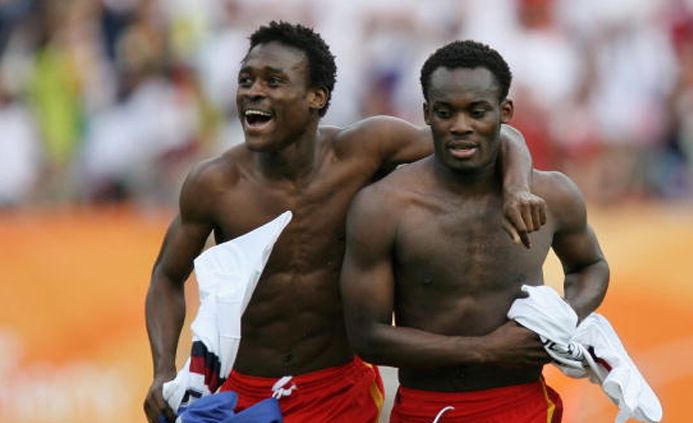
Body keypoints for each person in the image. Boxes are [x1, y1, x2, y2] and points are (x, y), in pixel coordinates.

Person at [144, 22, 546, 423]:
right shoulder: (214, 183)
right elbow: (166, 276)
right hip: (242, 391)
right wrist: (163, 369)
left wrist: (515, 190)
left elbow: (497, 137)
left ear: (317, 97)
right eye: (246, 79)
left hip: (337, 390)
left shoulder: (363, 151)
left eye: (273, 81)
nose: (254, 91)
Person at [340, 40, 610, 422]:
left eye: (477, 112)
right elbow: (368, 336)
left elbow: (591, 266)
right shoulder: (383, 206)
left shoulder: (553, 195)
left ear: (505, 112)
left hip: (524, 405)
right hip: (426, 408)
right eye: (445, 112)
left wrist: (561, 318)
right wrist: (486, 349)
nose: (461, 126)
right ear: (426, 114)